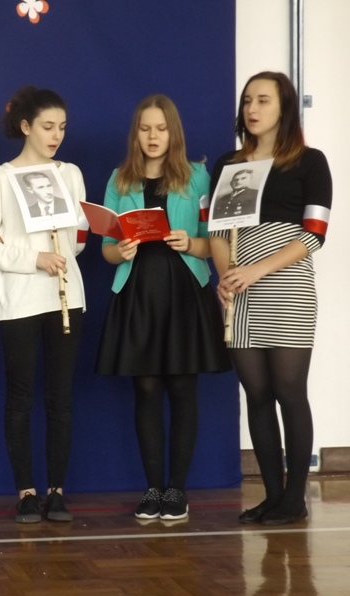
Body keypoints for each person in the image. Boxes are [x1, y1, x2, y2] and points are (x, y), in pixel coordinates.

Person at [95, 95, 230, 521]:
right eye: (145, 129)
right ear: (135, 133)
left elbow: (215, 241)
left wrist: (191, 243)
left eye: (161, 128)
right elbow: (106, 248)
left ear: (174, 132)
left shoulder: (198, 176)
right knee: (147, 389)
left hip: (184, 289)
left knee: (182, 388)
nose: (153, 137)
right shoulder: (119, 179)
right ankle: (153, 487)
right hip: (138, 291)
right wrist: (121, 249)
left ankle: (177, 490)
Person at [210, 72, 332, 526]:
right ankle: (273, 497)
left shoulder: (310, 162)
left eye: (263, 100)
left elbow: (314, 233)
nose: (252, 109)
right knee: (256, 394)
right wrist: (226, 276)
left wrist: (256, 269)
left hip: (287, 287)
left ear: (285, 107)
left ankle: (294, 499)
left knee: (288, 391)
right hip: (240, 291)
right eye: (247, 100)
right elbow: (217, 230)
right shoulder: (228, 165)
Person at [0, 85, 88, 523]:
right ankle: (25, 491)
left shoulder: (70, 173)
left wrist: (57, 252)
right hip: (18, 301)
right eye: (47, 127)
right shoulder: (1, 178)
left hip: (66, 297)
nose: (56, 135)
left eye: (62, 127)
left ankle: (57, 490)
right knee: (20, 396)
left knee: (61, 397)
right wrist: (32, 257)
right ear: (25, 126)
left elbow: (78, 238)